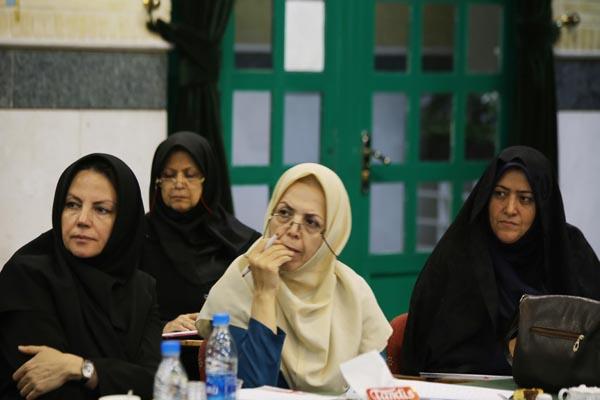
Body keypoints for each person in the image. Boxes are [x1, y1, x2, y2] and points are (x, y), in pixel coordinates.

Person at [400, 146, 600, 376]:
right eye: (500, 194)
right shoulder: (458, 253)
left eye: (525, 199)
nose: (510, 209)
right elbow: (428, 353)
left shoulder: (569, 251)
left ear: (542, 205)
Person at [197, 163, 392, 394]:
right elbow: (253, 390)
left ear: (332, 235)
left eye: (311, 222)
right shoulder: (242, 279)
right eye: (284, 213)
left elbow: (376, 390)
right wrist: (264, 293)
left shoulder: (352, 292)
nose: (292, 230)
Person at [0, 154, 162, 400]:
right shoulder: (27, 277)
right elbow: (44, 387)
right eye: (72, 205)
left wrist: (81, 368)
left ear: (124, 220)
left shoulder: (142, 289)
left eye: (101, 209)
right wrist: (119, 377)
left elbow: (158, 382)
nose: (82, 220)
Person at [141, 132, 259, 377]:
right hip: (161, 367)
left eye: (190, 174)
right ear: (157, 182)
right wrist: (163, 326)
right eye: (169, 175)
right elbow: (125, 311)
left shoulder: (239, 241)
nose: (179, 183)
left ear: (208, 180)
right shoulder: (139, 238)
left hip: (226, 368)